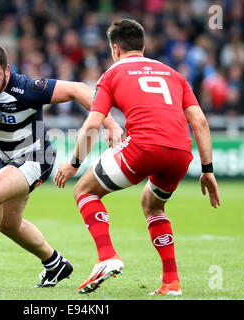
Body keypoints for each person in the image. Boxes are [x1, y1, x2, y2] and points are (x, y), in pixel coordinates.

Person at [0, 43, 123, 287]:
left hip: (37, 157)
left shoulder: (26, 88)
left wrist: (109, 123)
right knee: (8, 224)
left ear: (7, 70)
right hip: (5, 159)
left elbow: (79, 89)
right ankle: (55, 264)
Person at [54, 19, 221, 295]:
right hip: (181, 152)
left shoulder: (111, 74)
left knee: (84, 190)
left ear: (115, 49)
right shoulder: (174, 74)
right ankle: (171, 282)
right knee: (153, 205)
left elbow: (93, 123)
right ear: (142, 46)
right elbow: (200, 122)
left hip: (143, 146)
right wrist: (208, 170)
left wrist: (73, 163)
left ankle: (107, 257)